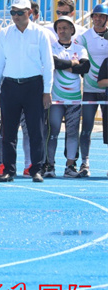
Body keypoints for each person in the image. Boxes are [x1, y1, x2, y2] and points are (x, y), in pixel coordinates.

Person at [0, 0, 54, 183]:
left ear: (30, 13)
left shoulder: (41, 33)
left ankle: (36, 169)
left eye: (20, 12)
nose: (16, 16)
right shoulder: (5, 33)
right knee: (8, 132)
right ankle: (9, 170)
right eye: (13, 12)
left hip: (34, 86)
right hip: (10, 86)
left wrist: (47, 91)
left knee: (36, 131)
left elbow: (48, 64)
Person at [47, 16, 89, 178]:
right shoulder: (52, 47)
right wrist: (73, 63)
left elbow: (85, 67)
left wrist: (67, 65)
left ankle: (70, 166)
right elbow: (54, 63)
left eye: (65, 28)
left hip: (74, 98)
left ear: (72, 30)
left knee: (72, 133)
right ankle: (49, 165)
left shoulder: (80, 48)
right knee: (53, 132)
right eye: (59, 28)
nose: (62, 31)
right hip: (56, 98)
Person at [73, 4, 108, 178]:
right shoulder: (84, 37)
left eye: (102, 16)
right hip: (89, 88)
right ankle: (84, 163)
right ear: (92, 17)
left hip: (107, 89)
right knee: (86, 127)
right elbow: (77, 58)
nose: (98, 19)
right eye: (95, 16)